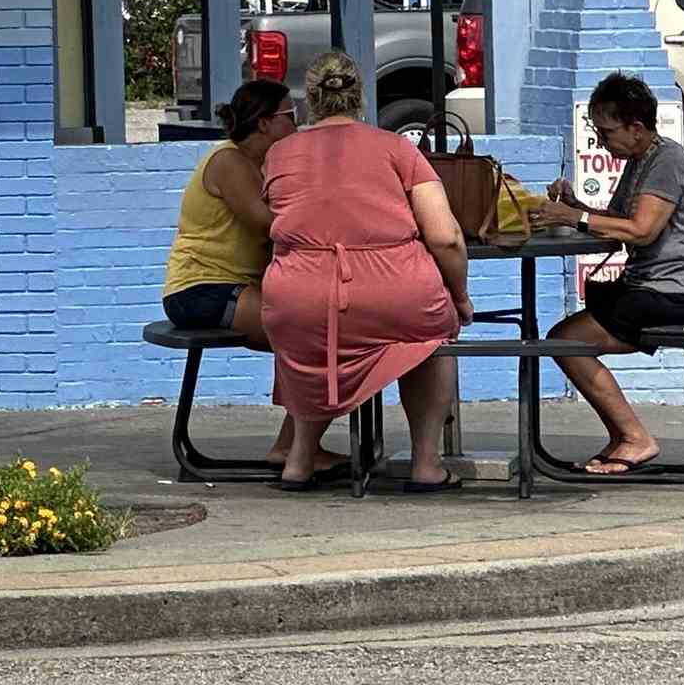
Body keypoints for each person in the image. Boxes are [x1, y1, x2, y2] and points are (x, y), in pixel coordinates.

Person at [257, 49, 469, 492]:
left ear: (309, 99)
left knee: (313, 343)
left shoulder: (278, 154)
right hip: (393, 289)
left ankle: (299, 459)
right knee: (428, 342)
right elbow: (445, 237)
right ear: (360, 97)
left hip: (299, 295)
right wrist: (460, 297)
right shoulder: (397, 148)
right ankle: (426, 463)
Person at [534, 70, 684, 475]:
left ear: (636, 128)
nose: (602, 140)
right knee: (564, 339)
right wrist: (575, 205)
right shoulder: (640, 161)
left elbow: (641, 230)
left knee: (566, 341)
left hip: (679, 293)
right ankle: (623, 437)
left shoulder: (668, 161)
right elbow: (616, 220)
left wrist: (574, 217)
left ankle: (635, 438)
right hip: (650, 287)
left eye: (607, 131)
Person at [159, 78, 310, 470]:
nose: (297, 126)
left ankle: (298, 447)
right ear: (264, 123)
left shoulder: (258, 167)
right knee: (311, 335)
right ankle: (294, 449)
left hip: (231, 288)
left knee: (320, 334)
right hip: (201, 290)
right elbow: (267, 223)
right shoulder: (229, 162)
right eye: (291, 116)